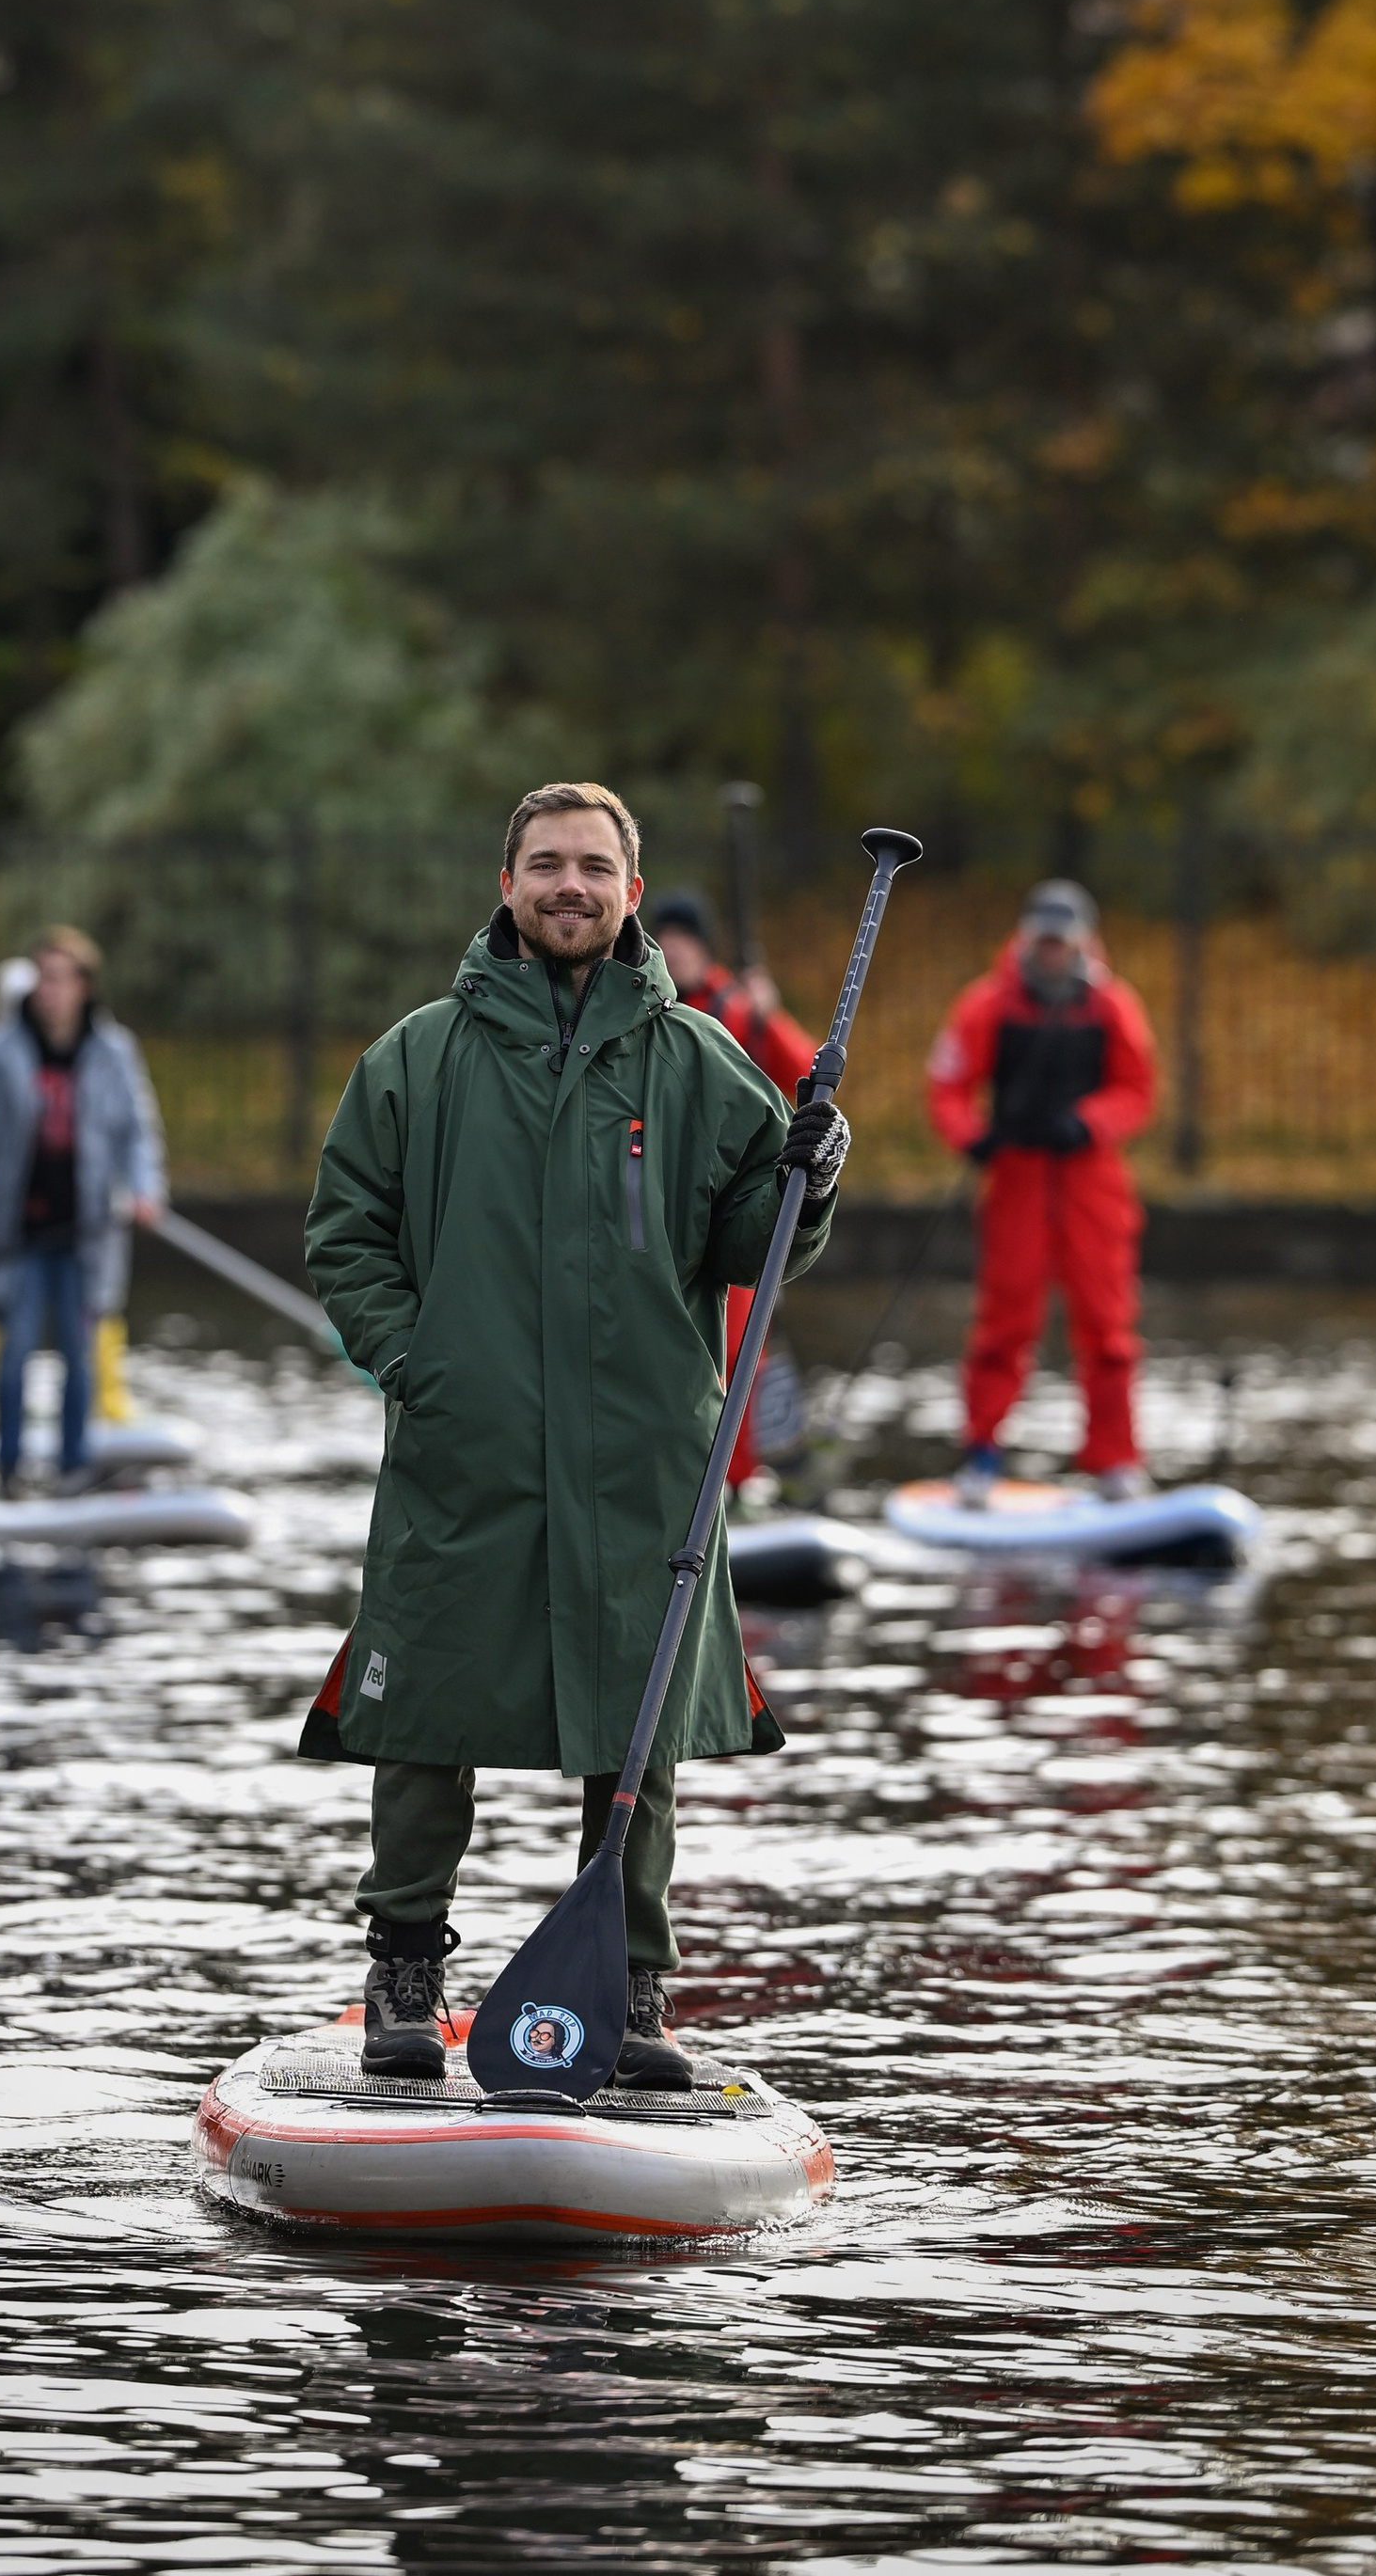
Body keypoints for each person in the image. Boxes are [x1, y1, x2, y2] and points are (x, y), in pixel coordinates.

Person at [299, 782, 850, 2088]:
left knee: (638, 1728)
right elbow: (346, 1235)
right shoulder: (415, 1059)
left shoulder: (704, 1061)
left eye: (593, 867)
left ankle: (632, 1984)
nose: (569, 886)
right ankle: (404, 1977)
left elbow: (749, 1249)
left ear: (630, 889)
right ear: (505, 884)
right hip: (465, 1451)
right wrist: (417, 1365)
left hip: (642, 1459)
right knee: (423, 1711)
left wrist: (811, 1181)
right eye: (545, 864)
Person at [925, 877, 1158, 1501]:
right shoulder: (988, 1004)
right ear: (1030, 939)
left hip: (1092, 1183)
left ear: (1080, 942)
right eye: (1045, 940)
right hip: (1016, 1182)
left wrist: (1088, 1123)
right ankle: (981, 1452)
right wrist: (971, 1136)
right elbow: (948, 1084)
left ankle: (1115, 1460)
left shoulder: (1113, 1006)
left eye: (1063, 941)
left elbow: (1138, 1089)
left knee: (1108, 1326)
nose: (1053, 952)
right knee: (1004, 1322)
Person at [0, 925, 168, 1490]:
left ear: (84, 986)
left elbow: (137, 1133)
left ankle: (72, 1466)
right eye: (42, 978)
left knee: (79, 1351)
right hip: (14, 1234)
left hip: (85, 1233)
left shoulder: (113, 1052)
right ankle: (9, 1466)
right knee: (14, 1350)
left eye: (61, 979)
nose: (49, 990)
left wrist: (144, 1190)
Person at [647, 890, 816, 1485]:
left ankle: (736, 1481)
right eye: (664, 939)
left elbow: (808, 1075)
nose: (673, 950)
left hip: (733, 1197)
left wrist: (769, 1013)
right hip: (663, 1198)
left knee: (739, 1347)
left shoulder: (736, 1005)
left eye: (684, 940)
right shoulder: (643, 1004)